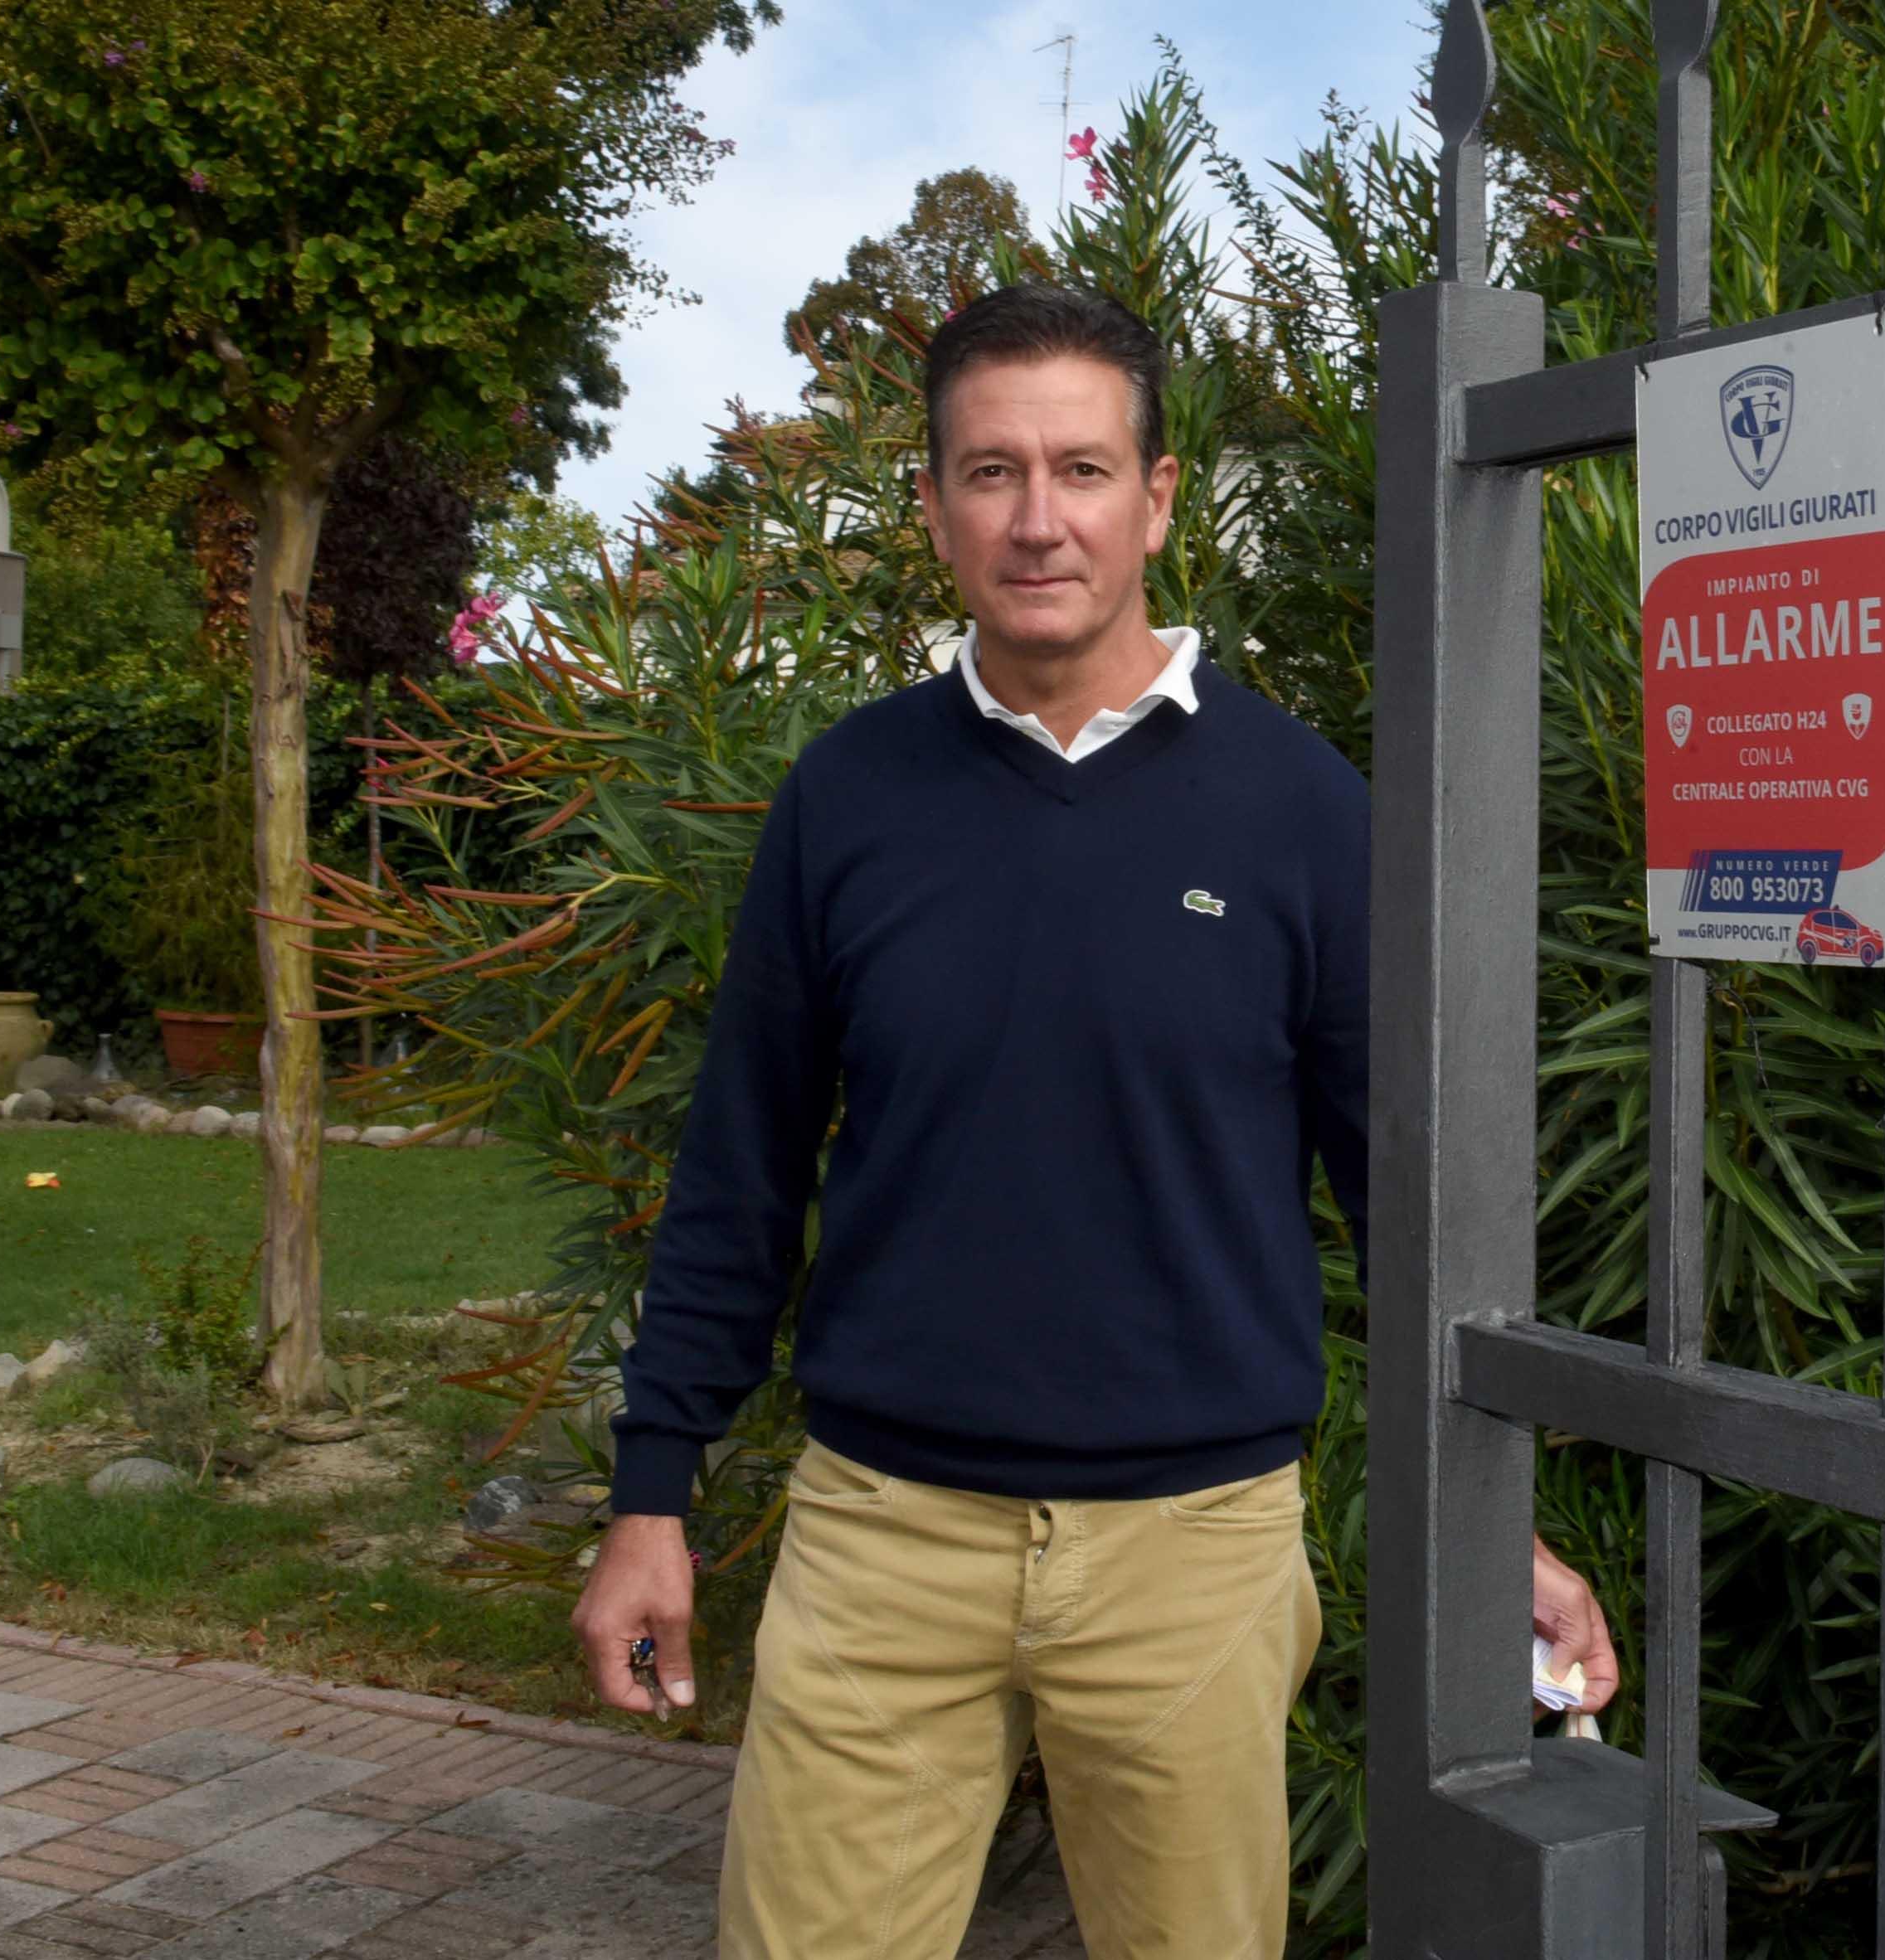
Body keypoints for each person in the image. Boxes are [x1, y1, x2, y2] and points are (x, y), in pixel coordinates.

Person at [569, 283, 1621, 1959]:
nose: (1037, 519)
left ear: (1159, 495)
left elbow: (1400, 1197)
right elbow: (741, 1172)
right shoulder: (846, 797)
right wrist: (648, 1497)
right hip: (880, 1543)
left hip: (1190, 1560)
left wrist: (1497, 1521)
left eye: (1078, 467)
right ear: (928, 507)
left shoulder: (1300, 812)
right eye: (989, 473)